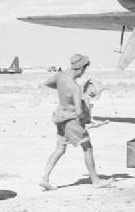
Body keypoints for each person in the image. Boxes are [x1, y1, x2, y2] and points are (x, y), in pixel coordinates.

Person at [39, 54, 110, 191]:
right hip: (71, 121)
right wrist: (88, 118)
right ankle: (95, 180)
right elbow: (78, 112)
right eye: (84, 69)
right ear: (81, 68)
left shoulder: (60, 76)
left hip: (60, 116)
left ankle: (45, 179)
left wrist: (61, 89)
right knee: (87, 148)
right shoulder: (75, 88)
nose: (84, 72)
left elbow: (47, 83)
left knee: (60, 149)